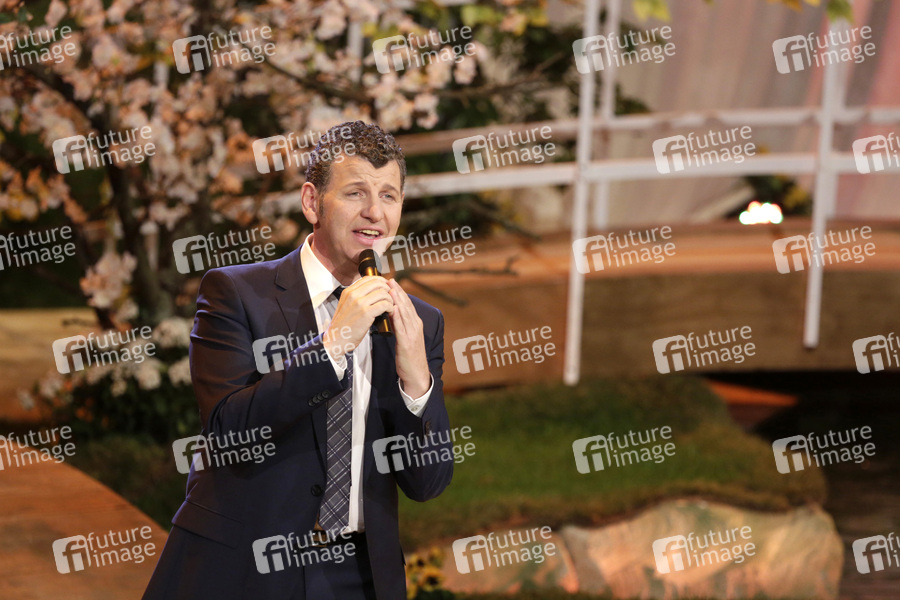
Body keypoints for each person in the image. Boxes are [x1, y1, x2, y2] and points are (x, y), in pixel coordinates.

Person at [143, 121, 454, 600]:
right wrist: (334, 343)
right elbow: (229, 431)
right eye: (355, 193)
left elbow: (427, 483)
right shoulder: (236, 293)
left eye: (389, 196)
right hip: (247, 568)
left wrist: (417, 383)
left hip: (358, 576)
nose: (374, 212)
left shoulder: (418, 322)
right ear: (312, 202)